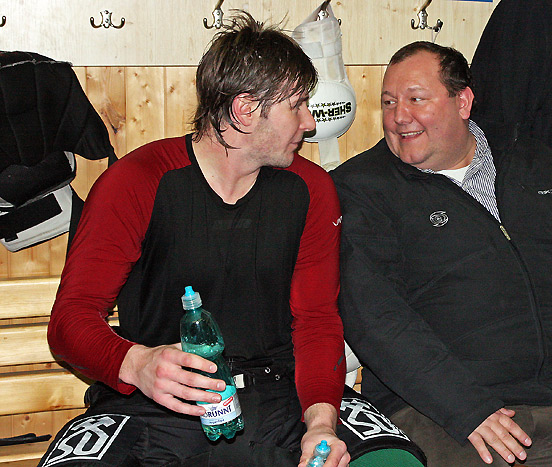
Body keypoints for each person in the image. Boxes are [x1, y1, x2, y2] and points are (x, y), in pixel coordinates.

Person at [330, 41, 552, 466]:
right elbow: (376, 319)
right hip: (442, 411)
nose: (399, 116)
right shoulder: (361, 189)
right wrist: (467, 408)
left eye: (416, 99)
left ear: (462, 102)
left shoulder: (534, 162)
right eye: (389, 102)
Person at [41, 11, 351, 467]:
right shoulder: (137, 180)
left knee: (392, 459)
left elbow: (317, 321)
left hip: (280, 397)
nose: (309, 121)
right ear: (246, 110)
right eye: (297, 105)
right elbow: (70, 321)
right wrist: (136, 364)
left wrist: (321, 424)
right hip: (155, 399)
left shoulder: (312, 188)